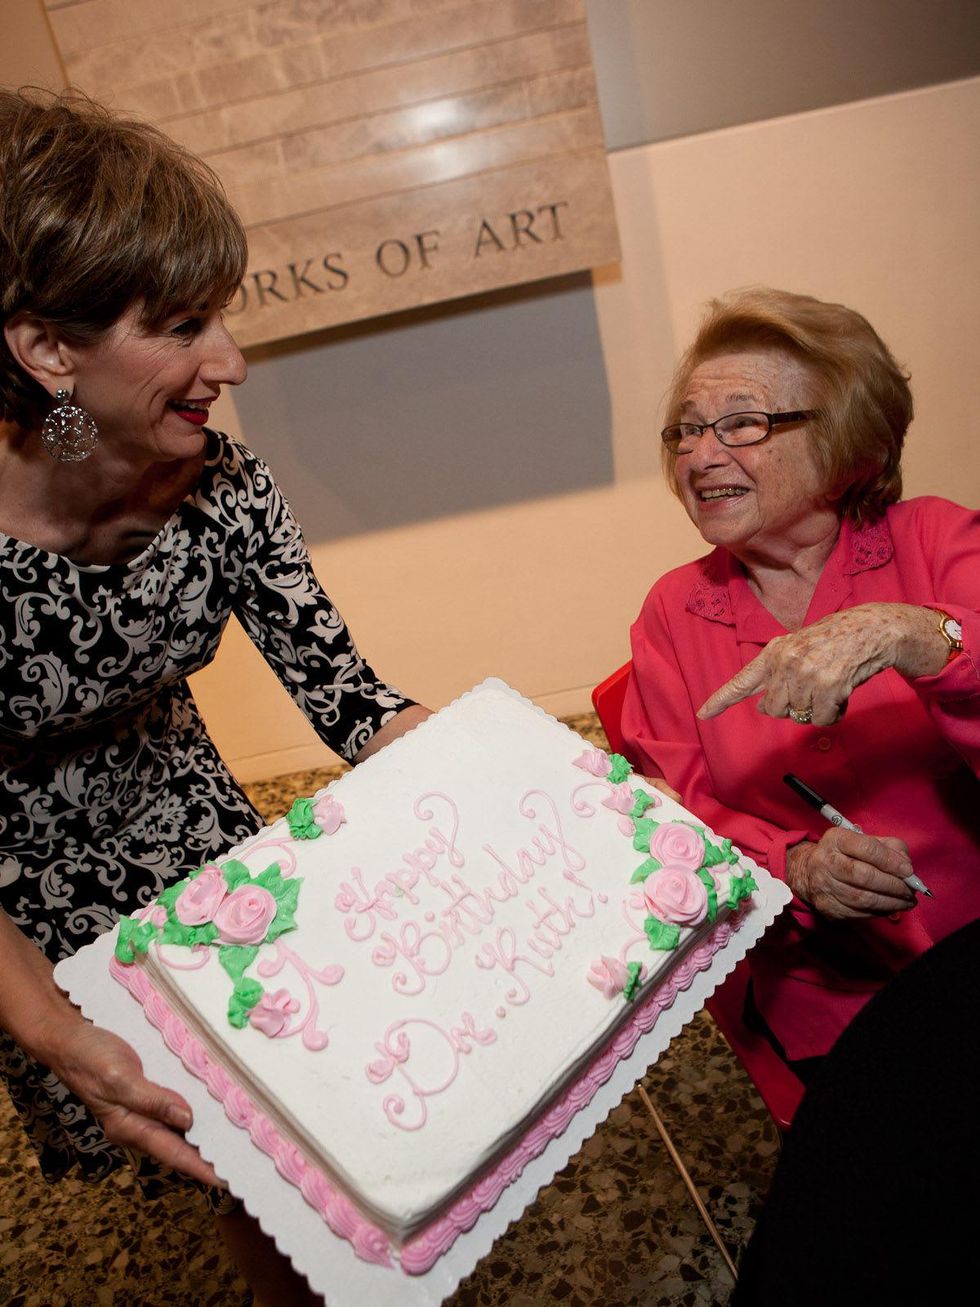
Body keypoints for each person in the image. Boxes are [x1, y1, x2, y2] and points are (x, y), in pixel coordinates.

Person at [0, 88, 429, 1302]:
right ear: (48, 351)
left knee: (295, 1141)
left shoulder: (223, 486)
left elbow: (352, 701)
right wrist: (50, 1024)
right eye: (184, 324)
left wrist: (527, 779)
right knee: (214, 1156)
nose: (230, 363)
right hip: (25, 909)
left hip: (195, 829)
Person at [621, 287, 979, 1080]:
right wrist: (794, 864)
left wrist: (916, 634)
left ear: (853, 446)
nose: (700, 456)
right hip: (834, 1008)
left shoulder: (933, 539)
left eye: (743, 423)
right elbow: (674, 813)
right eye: (686, 429)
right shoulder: (673, 613)